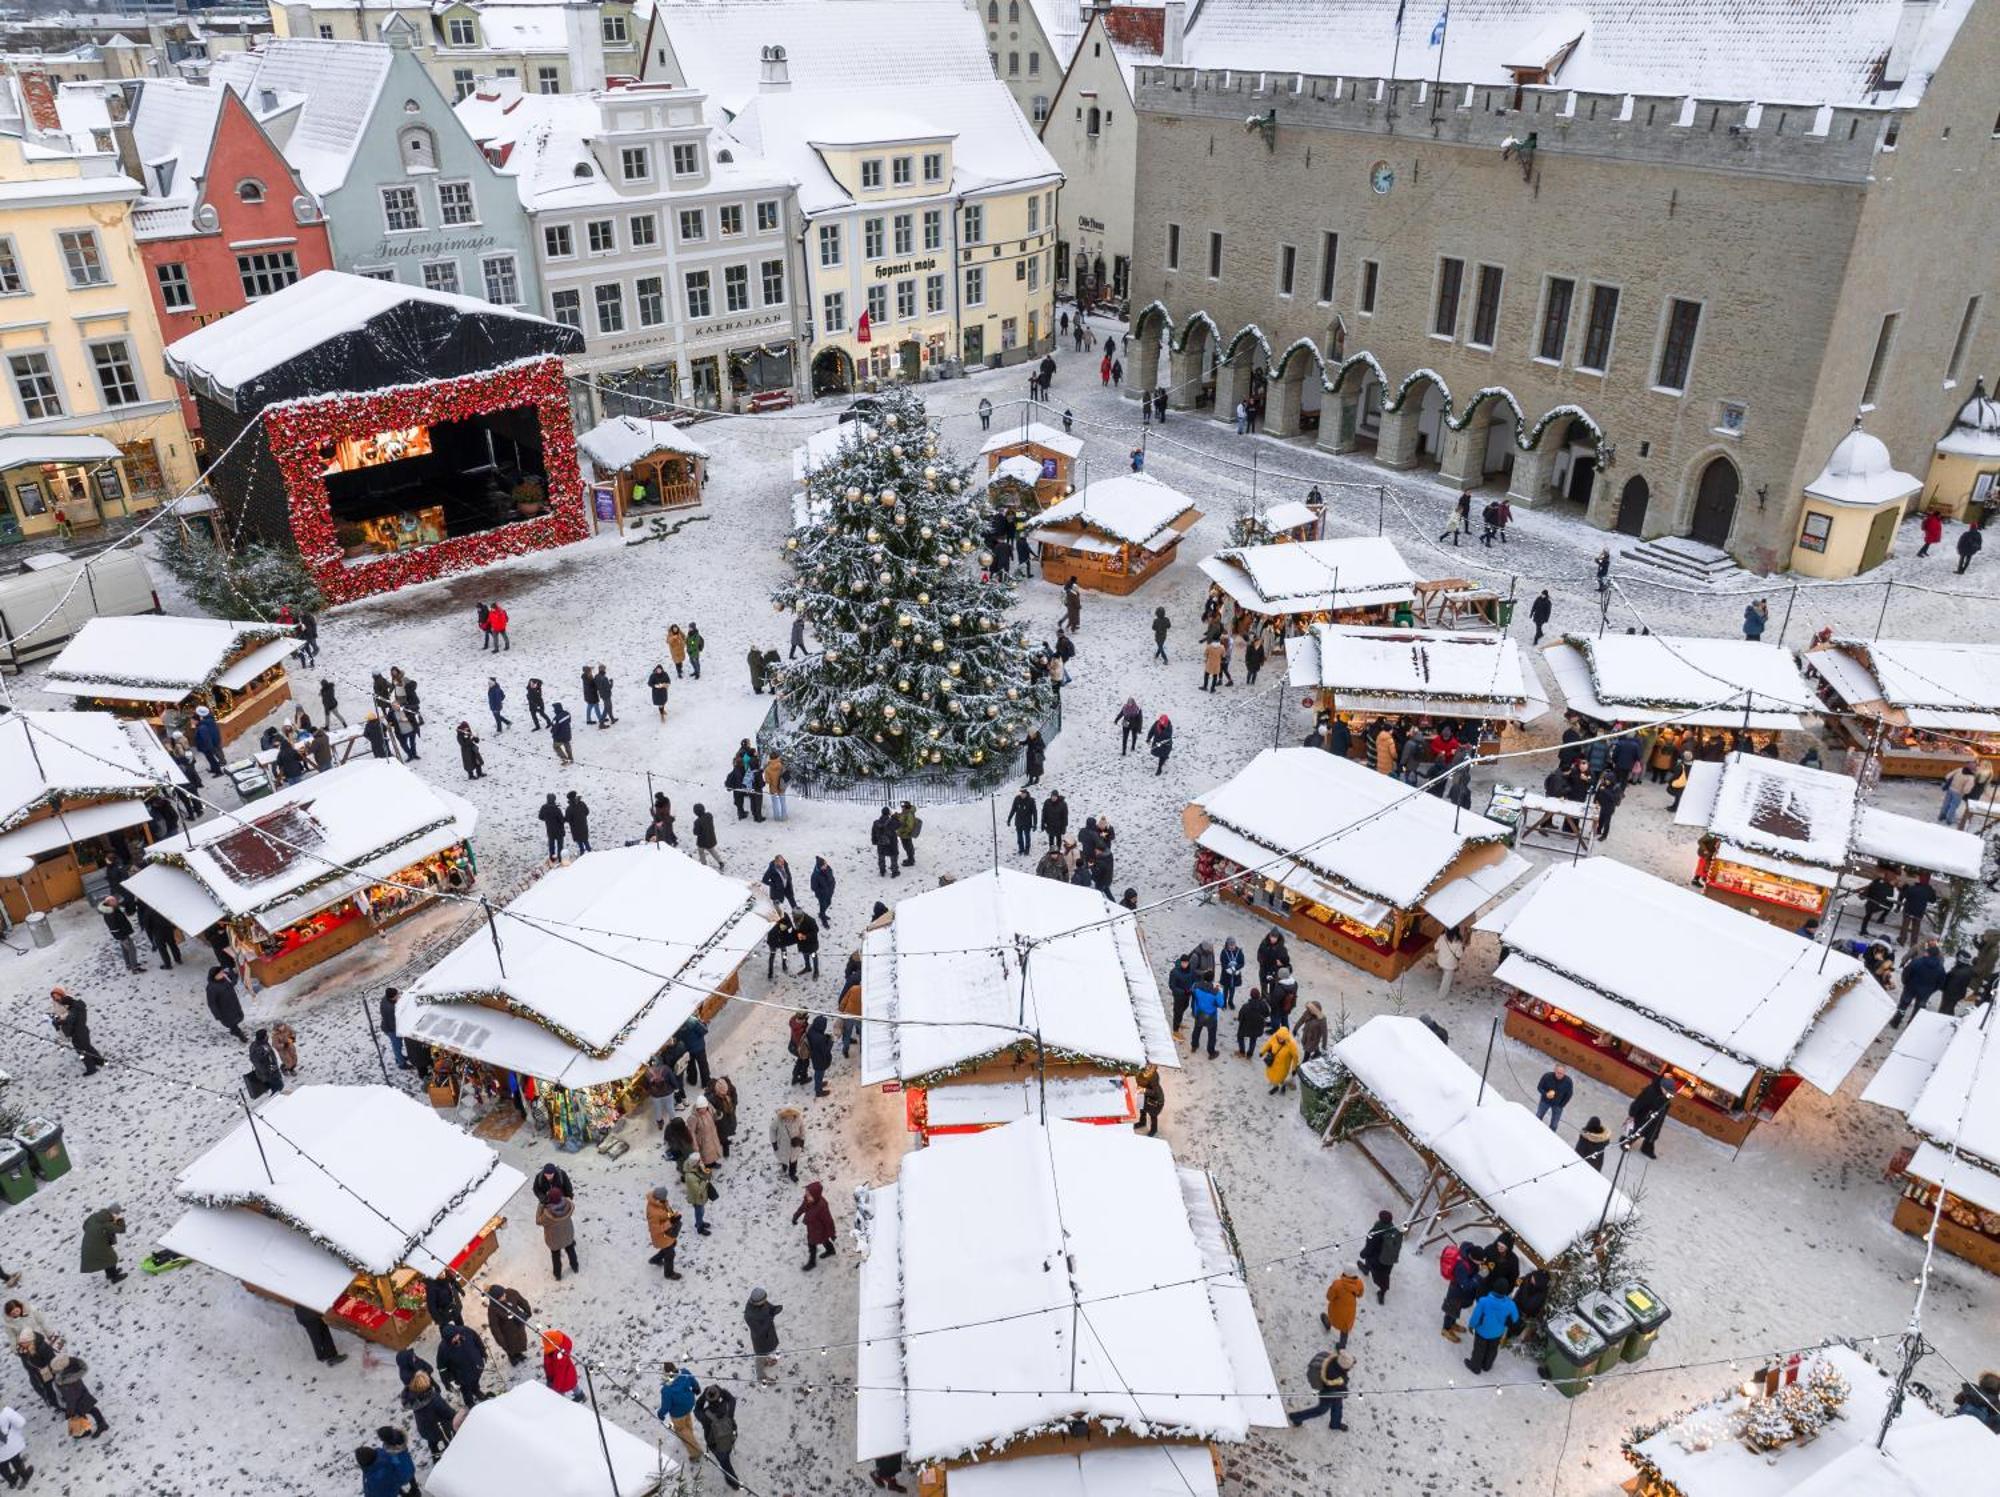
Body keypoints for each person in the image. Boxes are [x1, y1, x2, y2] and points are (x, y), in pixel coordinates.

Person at [1288, 1348, 1353, 1430]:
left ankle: (1335, 1424)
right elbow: (1338, 1386)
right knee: (1321, 1410)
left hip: (1333, 1390)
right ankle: (1296, 1417)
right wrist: (1344, 1392)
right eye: (1349, 1367)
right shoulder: (1334, 1375)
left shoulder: (1336, 1362)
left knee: (1337, 1405)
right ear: (1343, 1367)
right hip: (1328, 1392)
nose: (1351, 1368)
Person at [696, 1383, 743, 1490]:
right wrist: (720, 1390)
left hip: (715, 1445)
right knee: (727, 1450)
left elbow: (697, 1408)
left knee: (725, 1464)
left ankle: (734, 1483)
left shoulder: (704, 1415)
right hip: (730, 1437)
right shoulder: (727, 1406)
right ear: (719, 1396)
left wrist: (704, 1395)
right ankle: (728, 1451)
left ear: (708, 1399)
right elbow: (731, 1398)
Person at [1463, 1287, 1520, 1374]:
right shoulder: (1510, 1304)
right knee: (1492, 1350)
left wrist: (1471, 1325)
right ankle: (1486, 1366)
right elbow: (1515, 1319)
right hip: (1497, 1333)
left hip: (1482, 1331)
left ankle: (1475, 1367)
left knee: (1479, 1349)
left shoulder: (1484, 1301)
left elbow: (1476, 1316)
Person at [50, 988, 102, 1075]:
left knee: (82, 1051)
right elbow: (72, 1019)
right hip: (82, 1030)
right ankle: (100, 1061)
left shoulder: (73, 1010)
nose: (58, 1001)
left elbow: (70, 1020)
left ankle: (91, 1068)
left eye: (64, 1003)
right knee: (88, 1047)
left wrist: (58, 1022)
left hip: (77, 1032)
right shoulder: (78, 1006)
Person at [52, 1354, 106, 1438]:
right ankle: (90, 1429)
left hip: (76, 1399)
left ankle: (98, 1426)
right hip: (79, 1395)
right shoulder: (69, 1371)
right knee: (86, 1411)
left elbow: (70, 1396)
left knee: (87, 1411)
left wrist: (69, 1408)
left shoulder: (65, 1378)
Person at [659, 1363, 704, 1461]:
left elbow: (666, 1406)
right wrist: (696, 1388)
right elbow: (693, 1381)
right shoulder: (684, 1373)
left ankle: (695, 1453)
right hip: (689, 1404)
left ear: (666, 1373)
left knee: (681, 1430)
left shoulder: (666, 1390)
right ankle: (690, 1434)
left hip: (677, 1413)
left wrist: (660, 1414)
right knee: (687, 1421)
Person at [437, 1321, 487, 1407]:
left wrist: (483, 1353)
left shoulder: (466, 1331)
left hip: (476, 1366)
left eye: (456, 1335)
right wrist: (447, 1382)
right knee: (466, 1389)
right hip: (461, 1376)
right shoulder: (443, 1349)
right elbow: (442, 1368)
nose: (456, 1338)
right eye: (453, 1339)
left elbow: (477, 1341)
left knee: (475, 1380)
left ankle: (476, 1391)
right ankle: (469, 1403)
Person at [1625, 1075, 1676, 1158]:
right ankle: (1626, 1142)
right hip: (1645, 1116)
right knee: (1638, 1130)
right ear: (1662, 1087)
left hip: (1657, 1119)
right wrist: (1632, 1114)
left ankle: (1646, 1148)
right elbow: (1639, 1102)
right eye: (1667, 1091)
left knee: (1652, 1134)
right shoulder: (1651, 1092)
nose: (1669, 1094)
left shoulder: (1666, 1096)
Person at [1357, 1210, 1401, 1302]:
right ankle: (1382, 1292)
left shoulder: (1376, 1231)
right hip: (1389, 1260)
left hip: (1376, 1260)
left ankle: (1366, 1269)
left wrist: (1363, 1254)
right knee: (1384, 1276)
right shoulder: (1395, 1231)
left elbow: (1369, 1248)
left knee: (1377, 1273)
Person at [536, 1188, 579, 1280]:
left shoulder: (548, 1215)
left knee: (556, 1257)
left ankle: (558, 1275)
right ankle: (575, 1266)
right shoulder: (568, 1205)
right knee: (571, 1250)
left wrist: (540, 1206)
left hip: (554, 1239)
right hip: (568, 1234)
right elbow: (567, 1199)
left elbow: (538, 1221)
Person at [793, 1179, 837, 1269]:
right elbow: (802, 1208)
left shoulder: (822, 1206)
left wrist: (832, 1233)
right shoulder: (807, 1200)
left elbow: (828, 1221)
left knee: (812, 1244)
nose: (806, 1196)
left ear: (815, 1196)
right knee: (824, 1240)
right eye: (806, 1193)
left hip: (820, 1230)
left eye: (809, 1195)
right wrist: (795, 1216)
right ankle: (830, 1250)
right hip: (812, 1227)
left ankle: (812, 1262)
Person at [486, 1283, 532, 1366]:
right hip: (507, 1332)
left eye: (503, 1294)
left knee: (520, 1340)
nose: (504, 1297)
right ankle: (512, 1357)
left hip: (518, 1324)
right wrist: (501, 1342)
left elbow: (522, 1301)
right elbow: (494, 1327)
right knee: (510, 1346)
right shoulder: (492, 1309)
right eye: (501, 1297)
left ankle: (519, 1354)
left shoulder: (511, 1293)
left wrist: (528, 1312)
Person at [80, 1204, 127, 1285]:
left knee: (106, 1258)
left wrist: (94, 1233)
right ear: (114, 1213)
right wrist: (120, 1220)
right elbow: (122, 1229)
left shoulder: (93, 1217)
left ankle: (110, 1274)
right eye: (117, 1214)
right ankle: (114, 1277)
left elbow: (84, 1226)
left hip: (88, 1242)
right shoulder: (107, 1223)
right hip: (97, 1245)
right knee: (112, 1258)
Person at [745, 1287, 783, 1384]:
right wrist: (770, 1317)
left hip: (769, 1335)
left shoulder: (761, 1302)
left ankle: (766, 1361)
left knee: (766, 1352)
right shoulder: (749, 1315)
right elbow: (759, 1332)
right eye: (764, 1299)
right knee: (760, 1357)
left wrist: (774, 1309)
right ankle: (761, 1376)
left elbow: (768, 1306)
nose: (766, 1301)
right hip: (760, 1341)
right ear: (757, 1301)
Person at [644, 1186, 683, 1281]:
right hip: (661, 1236)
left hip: (667, 1233)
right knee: (670, 1254)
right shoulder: (653, 1212)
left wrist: (674, 1216)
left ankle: (655, 1259)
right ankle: (669, 1274)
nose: (666, 1199)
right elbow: (655, 1229)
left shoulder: (661, 1202)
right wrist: (670, 1223)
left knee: (672, 1244)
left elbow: (666, 1214)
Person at [98, 895, 143, 973]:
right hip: (122, 935)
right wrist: (122, 937)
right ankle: (135, 968)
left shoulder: (111, 910)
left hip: (122, 934)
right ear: (109, 903)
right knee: (132, 950)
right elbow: (114, 927)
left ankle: (129, 964)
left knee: (125, 949)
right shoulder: (111, 913)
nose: (116, 902)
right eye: (114, 901)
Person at [1322, 1269, 1364, 1349]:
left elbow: (1329, 1297)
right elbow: (1360, 1294)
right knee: (1345, 1329)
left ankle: (1328, 1324)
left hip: (1336, 1310)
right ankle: (1342, 1345)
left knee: (1332, 1318)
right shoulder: (1359, 1283)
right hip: (1349, 1313)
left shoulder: (1337, 1284)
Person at [205, 965, 247, 1042]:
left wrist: (234, 973)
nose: (222, 974)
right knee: (232, 1023)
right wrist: (217, 1015)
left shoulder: (225, 979)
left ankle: (234, 1030)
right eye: (220, 973)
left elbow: (233, 983)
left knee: (236, 1020)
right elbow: (212, 1003)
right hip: (224, 1010)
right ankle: (240, 1035)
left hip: (234, 1005)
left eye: (222, 972)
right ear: (215, 976)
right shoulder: (211, 988)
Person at [1260, 1024, 1302, 1095]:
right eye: (1279, 1037)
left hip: (1283, 1066)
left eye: (1281, 1038)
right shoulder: (1275, 1037)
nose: (1279, 1039)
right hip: (1272, 1063)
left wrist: (1294, 1068)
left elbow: (1295, 1057)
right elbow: (1268, 1044)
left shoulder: (1292, 1044)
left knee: (1282, 1078)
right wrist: (1262, 1052)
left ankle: (1283, 1086)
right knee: (1273, 1077)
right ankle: (1275, 1087)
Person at [1899, 873, 1939, 946]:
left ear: (1920, 879)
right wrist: (1933, 892)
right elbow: (1933, 900)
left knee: (1905, 926)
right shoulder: (1929, 890)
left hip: (1908, 909)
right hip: (1919, 912)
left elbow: (1905, 895)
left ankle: (1902, 940)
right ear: (1928, 880)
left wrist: (1904, 887)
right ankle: (1913, 943)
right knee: (1915, 929)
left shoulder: (1913, 887)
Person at [1189, 978, 1223, 1059]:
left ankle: (1194, 1045)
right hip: (1211, 1016)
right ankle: (1211, 1052)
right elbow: (1221, 1004)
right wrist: (1219, 992)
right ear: (1212, 981)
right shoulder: (1215, 992)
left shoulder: (1197, 988)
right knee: (1212, 1035)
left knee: (1197, 1030)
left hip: (1200, 1013)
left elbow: (1192, 991)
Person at [682, 1153, 715, 1235]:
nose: (701, 1162)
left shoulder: (695, 1167)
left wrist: (706, 1172)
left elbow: (702, 1174)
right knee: (699, 1212)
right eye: (699, 1161)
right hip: (697, 1198)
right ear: (694, 1163)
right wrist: (705, 1180)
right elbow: (698, 1190)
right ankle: (700, 1228)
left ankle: (700, 1222)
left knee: (701, 1211)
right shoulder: (690, 1177)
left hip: (701, 1196)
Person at [1235, 986, 1270, 1057]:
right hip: (1258, 1026)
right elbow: (1267, 1014)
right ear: (1259, 995)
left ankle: (1242, 1051)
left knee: (1240, 1037)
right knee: (1253, 1040)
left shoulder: (1246, 1006)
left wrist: (1241, 1021)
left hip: (1245, 1026)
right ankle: (1250, 1053)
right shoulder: (1263, 1005)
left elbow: (1240, 1017)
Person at [1434, 923, 1465, 998]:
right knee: (1446, 980)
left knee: (1445, 972)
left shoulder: (1442, 937)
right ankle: (1441, 995)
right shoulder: (1458, 942)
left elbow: (1436, 947)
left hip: (1440, 961)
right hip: (1450, 965)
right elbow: (1459, 955)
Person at [806, 1014, 834, 1096]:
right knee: (819, 1073)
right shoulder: (820, 1039)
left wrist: (826, 1037)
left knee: (818, 1073)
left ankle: (819, 1084)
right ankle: (818, 1091)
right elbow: (826, 1049)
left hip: (815, 1056)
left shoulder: (811, 1030)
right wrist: (831, 1041)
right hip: (820, 1059)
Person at [692, 803, 722, 871]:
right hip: (711, 838)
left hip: (702, 841)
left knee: (701, 852)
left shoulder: (697, 822)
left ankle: (704, 866)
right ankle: (720, 862)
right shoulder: (709, 815)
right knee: (712, 850)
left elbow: (696, 832)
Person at [538, 793, 566, 863]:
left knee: (551, 845)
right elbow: (562, 820)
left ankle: (552, 859)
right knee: (560, 846)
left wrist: (547, 819)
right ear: (554, 799)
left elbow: (540, 817)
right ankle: (560, 859)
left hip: (550, 830)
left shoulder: (544, 808)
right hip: (559, 830)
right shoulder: (557, 809)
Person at [565, 790, 592, 854]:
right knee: (585, 840)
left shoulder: (569, 808)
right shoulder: (582, 804)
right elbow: (587, 812)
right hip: (583, 825)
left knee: (579, 841)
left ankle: (582, 853)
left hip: (575, 828)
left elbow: (568, 819)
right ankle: (590, 852)